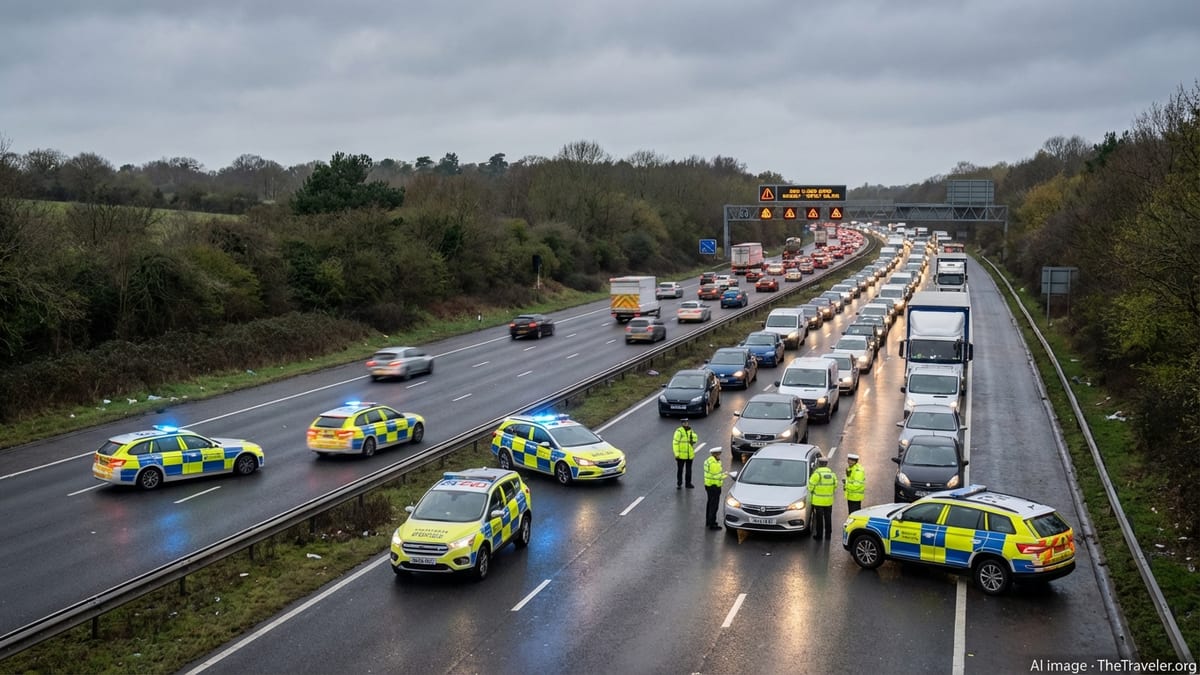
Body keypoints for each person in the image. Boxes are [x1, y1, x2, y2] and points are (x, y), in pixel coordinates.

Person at [809, 455, 837, 540]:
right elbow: (835, 485)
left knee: (819, 519)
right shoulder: (832, 474)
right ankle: (828, 535)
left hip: (818, 502)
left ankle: (819, 536)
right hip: (828, 501)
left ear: (819, 464)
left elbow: (810, 486)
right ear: (826, 464)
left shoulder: (817, 474)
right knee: (828, 518)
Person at [703, 446, 728, 530]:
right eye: (719, 454)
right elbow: (716, 476)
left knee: (710, 503)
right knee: (714, 506)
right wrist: (726, 475)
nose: (720, 455)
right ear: (715, 454)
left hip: (709, 485)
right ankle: (712, 524)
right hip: (714, 486)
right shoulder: (714, 463)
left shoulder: (709, 461)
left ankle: (708, 521)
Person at [673, 418, 698, 489]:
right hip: (681, 456)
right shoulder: (679, 432)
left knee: (689, 470)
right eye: (684, 423)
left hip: (689, 455)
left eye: (686, 422)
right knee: (680, 470)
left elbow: (695, 440)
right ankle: (679, 483)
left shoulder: (690, 430)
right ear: (682, 423)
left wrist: (693, 437)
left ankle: (688, 483)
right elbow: (675, 443)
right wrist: (676, 454)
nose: (686, 424)